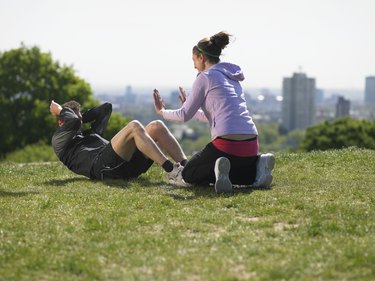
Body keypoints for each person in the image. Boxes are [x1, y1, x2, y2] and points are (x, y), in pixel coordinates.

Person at [153, 31, 275, 194]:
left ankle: (223, 174)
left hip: (226, 144)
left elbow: (183, 115)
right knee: (236, 166)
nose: (194, 66)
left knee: (189, 173)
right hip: (251, 143)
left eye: (194, 60)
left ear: (201, 58)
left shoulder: (205, 77)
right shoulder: (232, 78)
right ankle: (257, 167)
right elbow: (215, 116)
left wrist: (162, 111)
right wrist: (191, 107)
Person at [50, 100, 188, 185]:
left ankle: (189, 170)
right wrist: (61, 111)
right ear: (61, 122)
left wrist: (81, 117)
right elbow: (73, 122)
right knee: (134, 126)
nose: (79, 123)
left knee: (156, 126)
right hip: (103, 168)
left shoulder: (91, 134)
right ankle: (172, 171)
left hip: (123, 163)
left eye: (80, 119)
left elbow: (106, 108)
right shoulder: (59, 141)